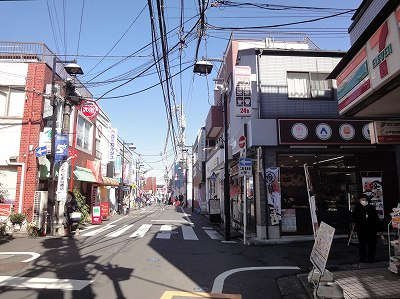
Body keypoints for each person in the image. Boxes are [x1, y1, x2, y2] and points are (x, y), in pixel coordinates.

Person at [352, 194, 381, 263]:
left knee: (372, 245)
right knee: (362, 245)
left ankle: (371, 259)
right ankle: (362, 258)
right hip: (361, 230)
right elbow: (354, 218)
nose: (364, 201)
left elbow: (375, 218)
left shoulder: (371, 207)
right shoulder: (357, 208)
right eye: (362, 200)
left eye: (365, 199)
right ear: (359, 201)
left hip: (371, 229)